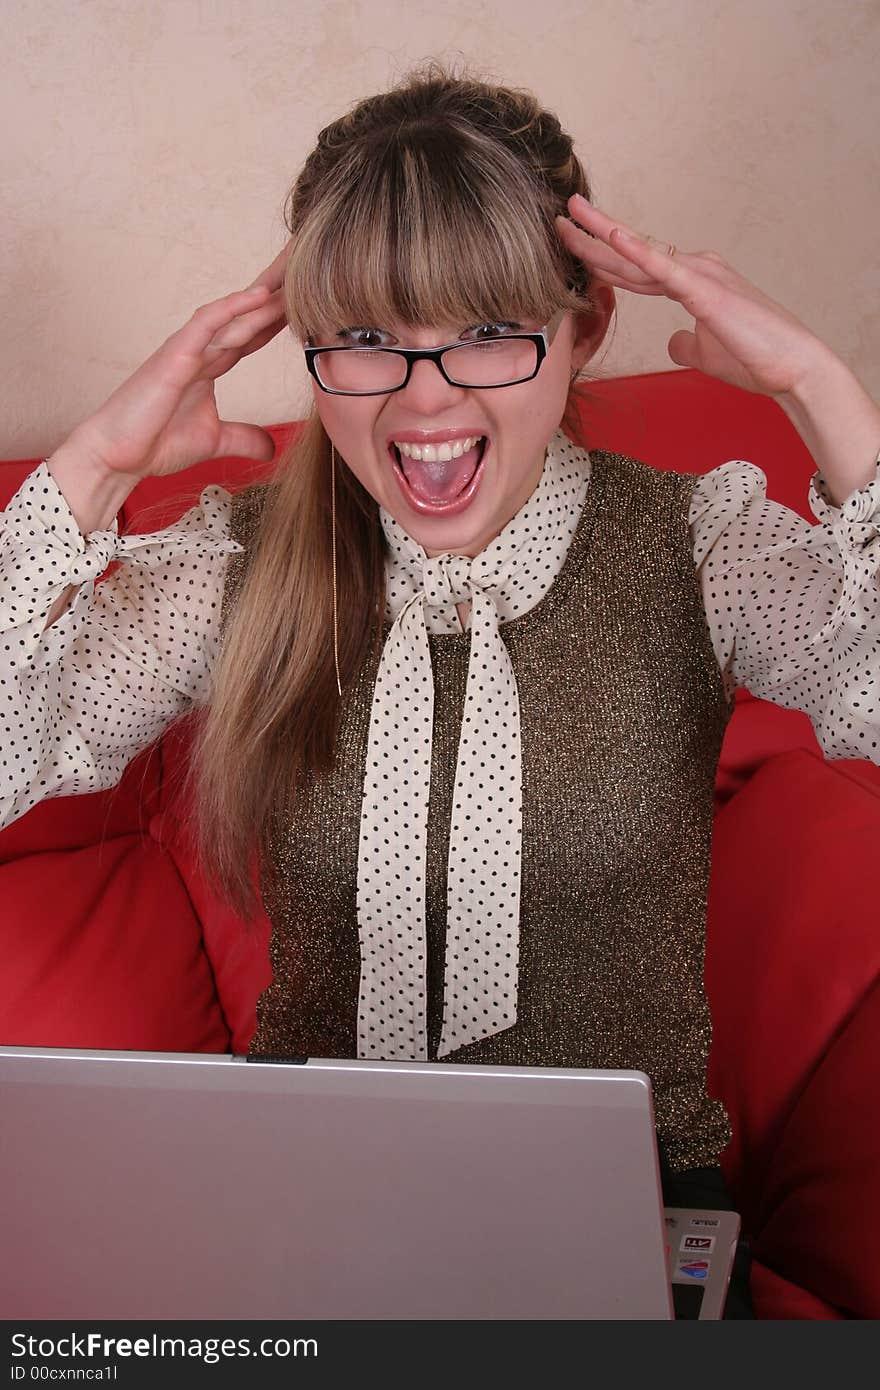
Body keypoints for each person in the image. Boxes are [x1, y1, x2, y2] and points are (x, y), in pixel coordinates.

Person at [2, 62, 879, 1318]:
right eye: (364, 340)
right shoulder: (237, 564)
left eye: (484, 330)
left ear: (581, 329)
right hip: (307, 1202)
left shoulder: (694, 547)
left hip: (627, 1204)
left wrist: (820, 387)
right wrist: (94, 464)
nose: (424, 399)